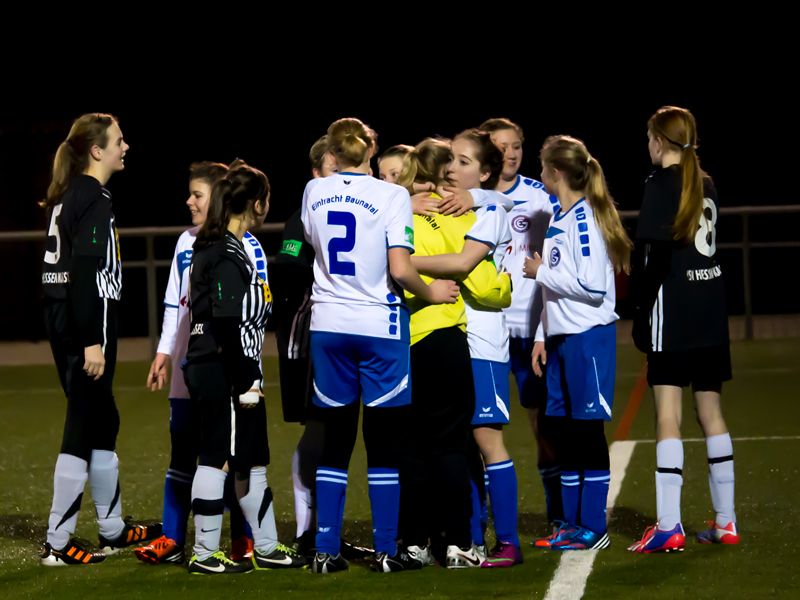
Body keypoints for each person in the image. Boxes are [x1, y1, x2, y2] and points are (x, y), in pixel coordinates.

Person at [302, 118, 460, 574]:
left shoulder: (313, 191)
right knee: (383, 442)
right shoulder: (392, 196)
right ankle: (388, 550)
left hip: (328, 325)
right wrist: (432, 293)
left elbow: (315, 245)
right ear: (370, 149)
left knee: (335, 440)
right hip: (378, 324)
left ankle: (326, 551)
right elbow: (401, 267)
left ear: (332, 152)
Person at [40, 113, 161, 566]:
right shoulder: (92, 194)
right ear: (96, 150)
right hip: (84, 319)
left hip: (62, 313)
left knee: (103, 416)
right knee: (83, 419)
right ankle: (58, 542)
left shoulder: (73, 192)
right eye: (118, 140)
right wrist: (92, 339)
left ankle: (111, 529)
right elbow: (87, 270)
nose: (125, 147)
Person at [135, 161, 263, 565]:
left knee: (231, 453)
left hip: (228, 363)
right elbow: (176, 302)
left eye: (197, 195)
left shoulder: (246, 246)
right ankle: (173, 538)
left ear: (220, 199)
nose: (189, 201)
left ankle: (242, 539)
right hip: (193, 360)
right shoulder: (184, 243)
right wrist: (163, 351)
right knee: (183, 450)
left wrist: (250, 370)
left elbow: (250, 313)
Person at [184, 162, 305, 574]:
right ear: (257, 204)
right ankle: (203, 554)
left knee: (251, 460)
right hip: (225, 368)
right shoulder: (226, 251)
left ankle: (268, 546)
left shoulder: (215, 245)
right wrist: (247, 375)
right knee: (216, 457)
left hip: (225, 365)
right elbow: (224, 320)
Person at [397, 137, 512, 569]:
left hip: (399, 341)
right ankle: (459, 543)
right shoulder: (458, 216)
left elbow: (387, 266)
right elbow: (483, 283)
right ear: (446, 171)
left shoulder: (398, 212)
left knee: (410, 447)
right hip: (445, 336)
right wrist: (505, 285)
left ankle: (413, 542)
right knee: (451, 446)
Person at [627, 106, 738, 553]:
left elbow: (651, 259)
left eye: (649, 138)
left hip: (672, 313)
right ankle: (727, 522)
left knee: (668, 416)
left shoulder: (660, 183)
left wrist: (636, 309)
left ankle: (669, 525)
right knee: (711, 415)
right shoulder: (704, 180)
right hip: (711, 311)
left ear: (659, 140)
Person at [523, 135, 632, 551]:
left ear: (555, 173)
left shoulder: (584, 219)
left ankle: (593, 526)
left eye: (542, 167)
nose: (540, 174)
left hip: (588, 339)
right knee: (565, 431)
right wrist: (540, 336)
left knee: (586, 433)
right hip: (562, 339)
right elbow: (555, 292)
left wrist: (539, 272)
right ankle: (570, 524)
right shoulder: (561, 217)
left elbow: (592, 287)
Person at [473, 117, 565, 546]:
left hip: (530, 330)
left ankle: (558, 514)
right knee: (482, 430)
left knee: (542, 424)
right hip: (486, 330)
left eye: (516, 146)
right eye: (501, 146)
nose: (510, 154)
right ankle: (482, 514)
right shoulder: (470, 196)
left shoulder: (540, 195)